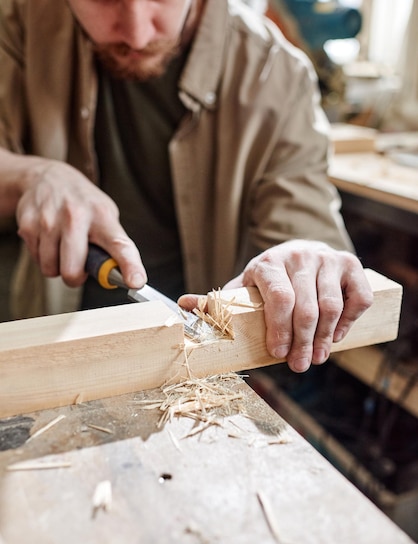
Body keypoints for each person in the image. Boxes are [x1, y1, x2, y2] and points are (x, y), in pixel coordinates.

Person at [0, 0, 372, 373]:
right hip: (49, 337)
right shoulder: (18, 20)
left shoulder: (276, 74)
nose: (137, 33)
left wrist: (301, 257)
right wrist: (31, 176)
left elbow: (304, 233)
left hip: (195, 361)